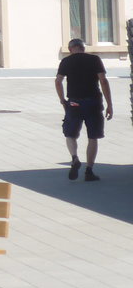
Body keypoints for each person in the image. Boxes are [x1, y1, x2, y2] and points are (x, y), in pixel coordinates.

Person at [55, 38, 114, 181]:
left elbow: (58, 81)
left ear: (70, 49)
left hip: (74, 102)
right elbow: (103, 81)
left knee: (70, 134)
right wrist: (109, 104)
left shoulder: (66, 62)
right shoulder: (94, 60)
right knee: (93, 137)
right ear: (83, 48)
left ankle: (75, 158)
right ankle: (89, 171)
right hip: (93, 102)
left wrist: (63, 100)